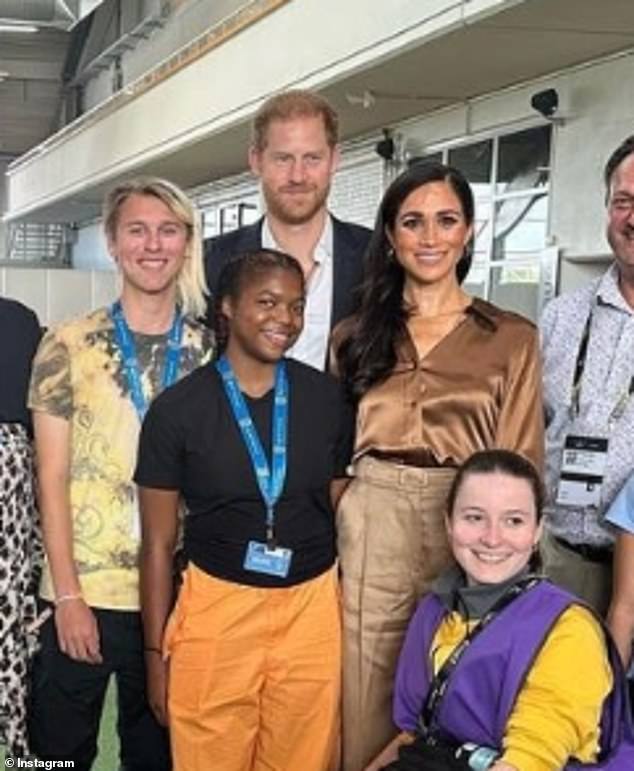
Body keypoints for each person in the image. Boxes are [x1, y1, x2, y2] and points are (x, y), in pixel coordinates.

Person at [331, 161, 544, 771]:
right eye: (413, 222)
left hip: (473, 517)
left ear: (469, 232)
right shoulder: (355, 335)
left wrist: (510, 546)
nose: (429, 238)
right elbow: (331, 446)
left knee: (460, 672)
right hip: (374, 517)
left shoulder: (510, 337)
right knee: (366, 677)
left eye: (446, 221)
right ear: (391, 237)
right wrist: (350, 506)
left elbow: (523, 455)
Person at [135, 250, 353, 771]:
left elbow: (343, 509)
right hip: (217, 609)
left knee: (303, 759)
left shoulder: (327, 400)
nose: (286, 319)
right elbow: (158, 546)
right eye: (268, 302)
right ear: (228, 308)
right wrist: (153, 657)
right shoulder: (177, 411)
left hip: (311, 608)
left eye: (296, 306)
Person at [27, 177, 213, 770]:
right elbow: (49, 479)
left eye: (168, 230)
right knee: (52, 755)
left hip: (177, 597)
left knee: (157, 754)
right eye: (137, 229)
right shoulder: (67, 345)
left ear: (186, 243)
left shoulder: (212, 353)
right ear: (112, 242)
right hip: (85, 590)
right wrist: (68, 596)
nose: (152, 244)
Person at [369, 449, 634, 771]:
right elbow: (413, 734)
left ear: (537, 531)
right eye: (475, 517)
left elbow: (531, 757)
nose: (493, 539)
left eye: (514, 521)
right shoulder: (435, 610)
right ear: (448, 523)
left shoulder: (569, 629)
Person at [203, 89, 371, 369]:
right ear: (256, 160)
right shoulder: (211, 262)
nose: (297, 176)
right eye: (283, 159)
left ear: (334, 160)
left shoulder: (375, 258)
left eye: (312, 158)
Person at [541, 135, 634, 618]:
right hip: (557, 562)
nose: (633, 218)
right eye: (624, 202)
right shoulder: (561, 316)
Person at [0, 297, 42, 758]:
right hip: (15, 475)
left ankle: (24, 750)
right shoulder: (18, 319)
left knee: (9, 613)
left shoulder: (16, 321)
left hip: (11, 489)